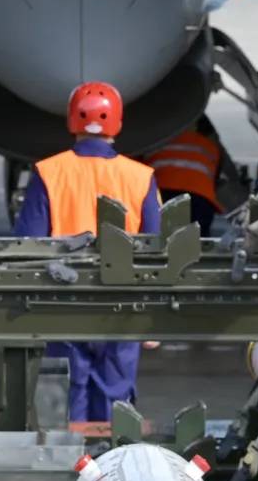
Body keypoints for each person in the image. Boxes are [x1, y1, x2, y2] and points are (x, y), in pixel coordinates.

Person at [13, 81, 161, 423]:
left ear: (71, 120)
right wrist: (152, 319)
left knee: (66, 402)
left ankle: (71, 469)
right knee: (115, 405)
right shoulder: (140, 177)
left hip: (64, 306)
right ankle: (107, 466)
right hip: (122, 307)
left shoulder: (49, 173)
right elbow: (156, 249)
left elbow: (27, 244)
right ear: (118, 123)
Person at [145, 115, 227, 236]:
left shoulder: (155, 141)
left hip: (162, 192)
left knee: (158, 241)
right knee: (198, 243)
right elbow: (216, 176)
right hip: (200, 197)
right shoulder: (209, 146)